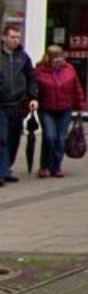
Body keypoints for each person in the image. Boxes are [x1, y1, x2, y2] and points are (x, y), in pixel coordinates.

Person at [33, 45, 84, 178]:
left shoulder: (69, 69)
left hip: (64, 109)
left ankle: (56, 167)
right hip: (46, 109)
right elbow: (33, 89)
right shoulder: (39, 71)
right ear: (49, 58)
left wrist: (80, 106)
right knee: (49, 137)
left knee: (60, 139)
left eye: (61, 57)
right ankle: (44, 165)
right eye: (55, 58)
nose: (59, 60)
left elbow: (76, 87)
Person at [0, 25, 38, 186]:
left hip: (16, 103)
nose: (15, 40)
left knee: (13, 138)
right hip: (1, 103)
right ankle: (1, 172)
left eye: (17, 37)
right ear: (3, 37)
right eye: (12, 37)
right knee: (1, 137)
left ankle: (6, 169)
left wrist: (33, 97)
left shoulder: (23, 57)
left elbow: (31, 77)